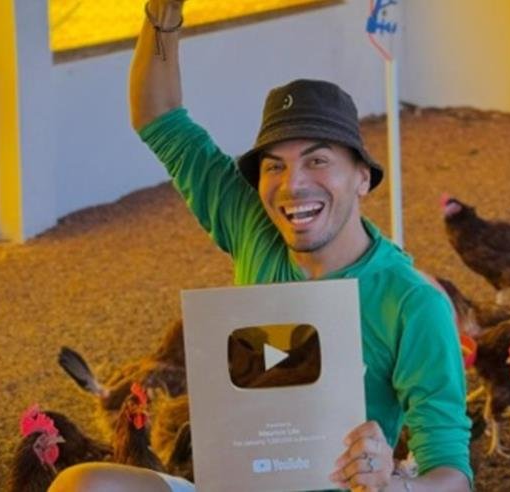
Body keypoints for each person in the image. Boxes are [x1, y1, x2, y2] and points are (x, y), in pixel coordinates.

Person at [50, 0, 471, 490]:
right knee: (83, 483)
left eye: (317, 160)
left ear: (362, 177)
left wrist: (391, 483)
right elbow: (158, 116)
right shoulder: (254, 225)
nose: (293, 184)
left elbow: (451, 475)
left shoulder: (412, 303)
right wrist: (163, 12)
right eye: (274, 166)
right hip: (238, 483)